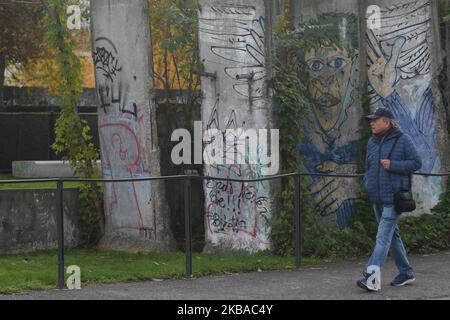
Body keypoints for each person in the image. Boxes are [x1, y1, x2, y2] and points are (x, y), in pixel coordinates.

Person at [357, 107, 422, 292]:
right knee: (393, 237)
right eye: (371, 120)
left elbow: (416, 163)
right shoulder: (372, 142)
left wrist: (393, 165)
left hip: (394, 199)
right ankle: (406, 272)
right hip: (377, 197)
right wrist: (367, 183)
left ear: (387, 121)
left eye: (375, 120)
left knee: (382, 237)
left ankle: (371, 277)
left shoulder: (403, 140)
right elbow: (368, 166)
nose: (372, 123)